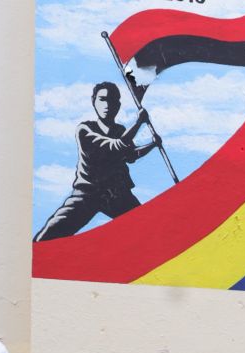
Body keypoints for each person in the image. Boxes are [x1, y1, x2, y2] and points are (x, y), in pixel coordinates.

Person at [34, 81, 161, 242]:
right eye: (102, 99)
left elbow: (131, 156)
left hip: (116, 194)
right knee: (47, 237)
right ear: (94, 102)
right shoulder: (85, 129)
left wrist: (152, 145)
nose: (107, 104)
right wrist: (138, 123)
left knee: (147, 229)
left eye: (112, 99)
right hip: (88, 194)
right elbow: (115, 146)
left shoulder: (120, 130)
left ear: (118, 104)